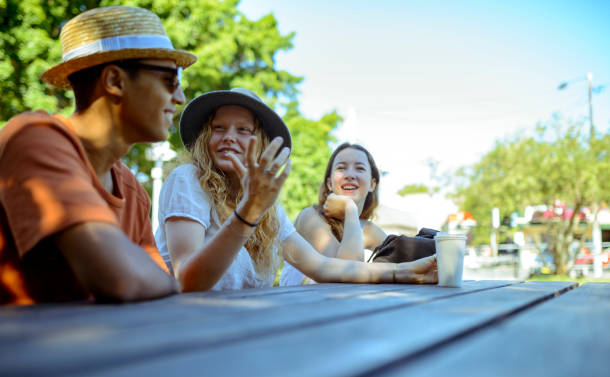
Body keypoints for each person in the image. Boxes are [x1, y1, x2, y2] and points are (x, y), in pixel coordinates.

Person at [0, 6, 196, 304]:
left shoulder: (132, 190)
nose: (180, 97)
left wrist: (154, 279)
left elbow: (157, 287)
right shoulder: (34, 139)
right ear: (115, 81)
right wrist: (143, 274)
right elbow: (123, 280)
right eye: (170, 79)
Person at [155, 87, 437, 291]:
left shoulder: (267, 209)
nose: (229, 137)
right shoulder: (188, 180)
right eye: (219, 128)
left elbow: (324, 267)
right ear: (206, 136)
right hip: (184, 334)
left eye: (243, 130)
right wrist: (247, 214)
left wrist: (407, 271)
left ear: (262, 144)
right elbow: (188, 280)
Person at [280, 143, 387, 285]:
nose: (349, 175)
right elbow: (347, 275)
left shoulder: (369, 230)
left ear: (372, 184)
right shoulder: (310, 218)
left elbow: (404, 263)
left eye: (360, 168)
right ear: (330, 184)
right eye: (341, 168)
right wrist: (350, 209)